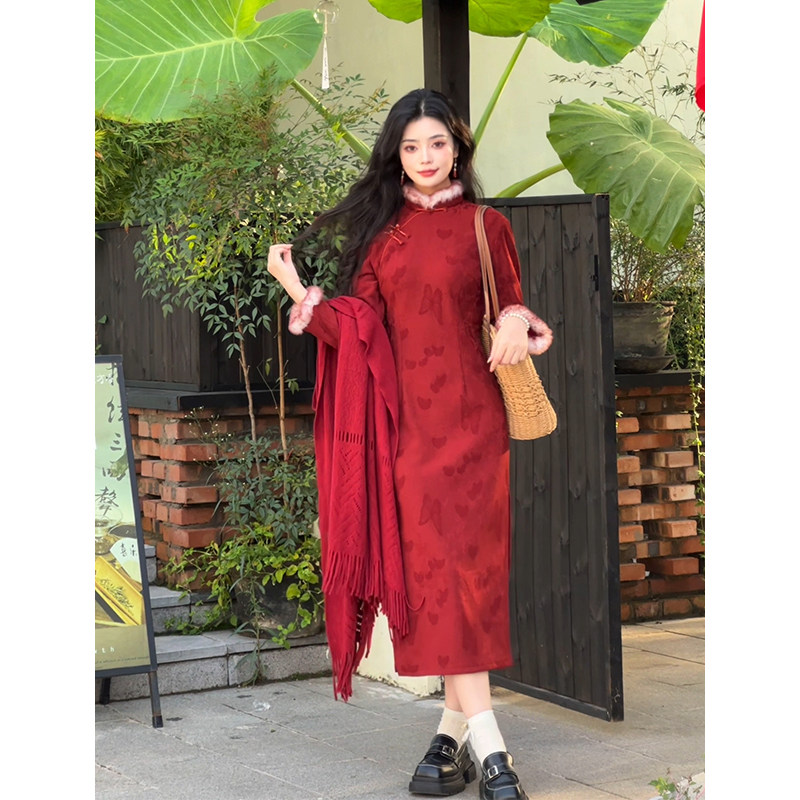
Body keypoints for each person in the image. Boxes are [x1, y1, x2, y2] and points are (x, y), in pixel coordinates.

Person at [268, 88, 552, 800]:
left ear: (457, 148)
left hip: (476, 431)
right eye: (412, 147)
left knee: (469, 581)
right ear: (397, 157)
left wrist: (514, 322)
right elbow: (356, 330)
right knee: (437, 581)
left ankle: (454, 743)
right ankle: (488, 751)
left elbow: (510, 303)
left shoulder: (487, 226)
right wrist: (298, 290)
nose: (426, 158)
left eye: (437, 144)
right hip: (409, 439)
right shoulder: (384, 236)